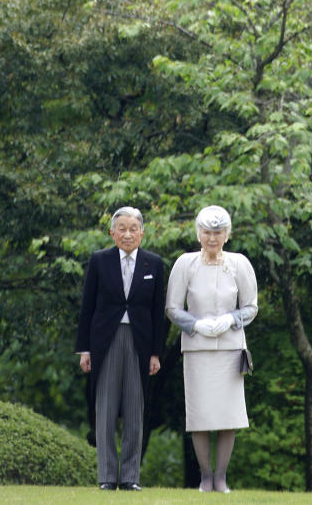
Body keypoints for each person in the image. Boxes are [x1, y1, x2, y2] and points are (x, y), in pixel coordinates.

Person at [165, 205, 258, 493]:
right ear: (198, 233)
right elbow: (172, 307)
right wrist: (196, 326)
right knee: (201, 415)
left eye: (218, 232)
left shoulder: (240, 263)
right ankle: (205, 477)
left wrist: (231, 319)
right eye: (207, 232)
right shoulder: (185, 264)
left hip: (230, 349)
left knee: (228, 415)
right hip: (197, 350)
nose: (212, 238)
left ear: (227, 235)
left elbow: (251, 306)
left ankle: (222, 477)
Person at [75, 206, 168, 491]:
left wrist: (156, 352)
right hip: (105, 340)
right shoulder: (99, 261)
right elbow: (87, 307)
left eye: (133, 228)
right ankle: (106, 476)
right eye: (122, 229)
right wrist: (85, 350)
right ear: (112, 233)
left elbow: (158, 313)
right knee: (104, 410)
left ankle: (130, 477)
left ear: (142, 232)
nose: (127, 234)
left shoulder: (154, 264)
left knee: (134, 409)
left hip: (140, 343)